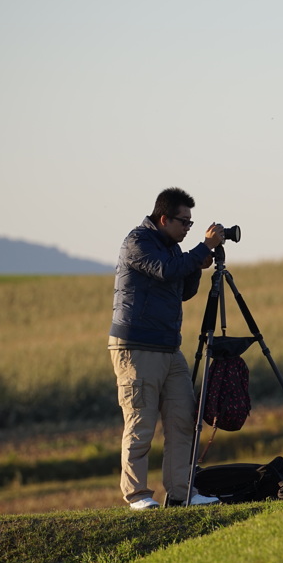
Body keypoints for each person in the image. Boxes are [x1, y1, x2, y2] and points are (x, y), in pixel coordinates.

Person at [108, 187, 226, 509]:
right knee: (141, 422)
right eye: (184, 222)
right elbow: (166, 271)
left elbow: (183, 288)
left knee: (182, 419)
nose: (188, 228)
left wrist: (199, 263)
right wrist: (202, 246)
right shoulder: (139, 242)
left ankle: (182, 492)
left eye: (191, 223)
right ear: (164, 218)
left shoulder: (174, 249)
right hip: (137, 347)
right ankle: (138, 496)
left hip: (168, 348)